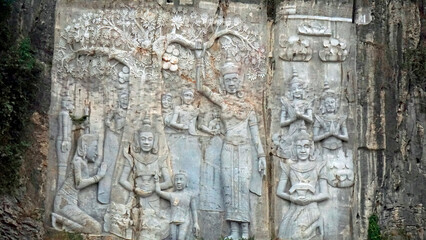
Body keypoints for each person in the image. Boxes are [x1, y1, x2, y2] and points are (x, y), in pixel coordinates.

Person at [196, 58, 266, 239]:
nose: (232, 83)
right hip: (227, 149)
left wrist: (261, 156)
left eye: (235, 79)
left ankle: (245, 229)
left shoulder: (248, 106)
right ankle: (234, 230)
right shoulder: (222, 101)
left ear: (240, 81)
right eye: (228, 80)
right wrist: (198, 59)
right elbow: (201, 88)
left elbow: (255, 134)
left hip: (244, 150)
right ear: (223, 83)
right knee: (229, 188)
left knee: (242, 187)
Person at [276, 129, 329, 240]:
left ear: (311, 148)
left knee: (296, 236)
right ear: (294, 149)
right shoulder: (288, 167)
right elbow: (279, 191)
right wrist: (292, 198)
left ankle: (317, 223)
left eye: (306, 146)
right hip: (294, 207)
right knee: (283, 235)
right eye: (299, 147)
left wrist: (310, 199)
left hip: (311, 207)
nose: (303, 150)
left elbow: (325, 194)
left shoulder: (319, 166)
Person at [52, 134, 107, 234]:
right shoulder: (77, 161)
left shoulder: (83, 163)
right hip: (63, 203)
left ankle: (60, 219)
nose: (96, 152)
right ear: (85, 147)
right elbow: (79, 184)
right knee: (96, 228)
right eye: (95, 148)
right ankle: (59, 218)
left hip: (71, 203)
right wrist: (98, 176)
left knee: (96, 228)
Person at [154, 171, 200, 240]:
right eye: (176, 180)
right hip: (173, 220)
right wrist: (157, 181)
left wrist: (196, 223)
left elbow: (193, 210)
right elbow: (158, 192)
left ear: (186, 182)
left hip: (184, 221)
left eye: (181, 179)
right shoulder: (172, 195)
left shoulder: (190, 195)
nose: (178, 182)